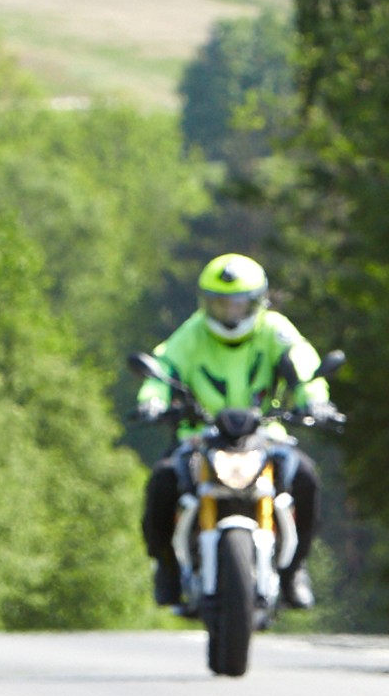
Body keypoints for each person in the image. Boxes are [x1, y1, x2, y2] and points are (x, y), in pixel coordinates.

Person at [138, 253, 335, 611]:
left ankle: (294, 569)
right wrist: (152, 400)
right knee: (162, 481)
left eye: (238, 304)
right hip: (200, 436)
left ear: (258, 301)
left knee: (305, 476)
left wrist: (316, 400)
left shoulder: (274, 330)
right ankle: (166, 569)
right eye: (220, 303)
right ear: (205, 303)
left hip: (265, 435)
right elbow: (163, 368)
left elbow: (304, 364)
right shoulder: (192, 333)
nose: (230, 312)